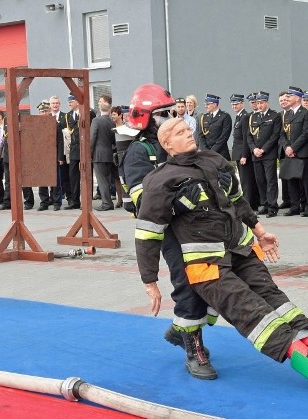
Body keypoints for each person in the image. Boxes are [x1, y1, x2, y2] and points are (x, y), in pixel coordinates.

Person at [135, 117, 308, 393]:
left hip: (241, 250)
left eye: (188, 129)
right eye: (180, 133)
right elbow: (148, 234)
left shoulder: (215, 161)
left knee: (278, 303)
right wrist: (149, 281)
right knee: (254, 314)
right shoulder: (160, 181)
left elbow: (237, 201)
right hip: (207, 266)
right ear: (167, 144)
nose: (188, 134)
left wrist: (259, 230)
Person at [120, 83, 219, 380]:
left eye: (171, 111)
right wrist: (183, 199)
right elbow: (142, 202)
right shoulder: (140, 152)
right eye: (163, 114)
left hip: (201, 226)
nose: (171, 117)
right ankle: (194, 349)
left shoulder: (178, 145)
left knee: (215, 281)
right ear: (146, 117)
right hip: (172, 232)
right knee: (187, 285)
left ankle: (181, 329)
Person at [280, 86, 308, 217]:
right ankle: (295, 207)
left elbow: (306, 133)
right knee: (292, 181)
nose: (287, 99)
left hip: (302, 152)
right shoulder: (287, 114)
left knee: (306, 182)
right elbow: (282, 133)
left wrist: (293, 148)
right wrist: (287, 147)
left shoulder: (306, 113)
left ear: (297, 98)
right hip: (289, 153)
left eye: (289, 96)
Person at [247, 91, 281, 218]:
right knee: (260, 180)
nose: (259, 105)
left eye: (262, 103)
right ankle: (265, 204)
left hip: (268, 154)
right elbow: (249, 136)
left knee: (270, 180)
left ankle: (273, 206)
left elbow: (275, 135)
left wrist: (263, 149)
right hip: (256, 154)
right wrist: (254, 149)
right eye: (258, 103)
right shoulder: (253, 117)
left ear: (267, 102)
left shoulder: (275, 116)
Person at [230, 93, 260, 211]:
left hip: (243, 154)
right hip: (239, 153)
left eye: (236, 104)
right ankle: (252, 202)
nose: (234, 106)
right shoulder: (239, 116)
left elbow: (245, 138)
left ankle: (249, 204)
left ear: (242, 103)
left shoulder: (245, 116)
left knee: (246, 181)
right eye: (232, 104)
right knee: (244, 179)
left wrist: (244, 155)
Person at [91, 94, 116, 211]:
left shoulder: (96, 120)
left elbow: (92, 138)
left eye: (100, 102)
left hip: (98, 154)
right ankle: (108, 201)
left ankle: (107, 203)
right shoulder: (112, 121)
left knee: (102, 181)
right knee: (107, 178)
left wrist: (89, 154)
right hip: (109, 153)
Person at [197, 94, 232, 160]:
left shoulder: (225, 116)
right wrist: (205, 151)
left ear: (215, 104)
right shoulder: (204, 117)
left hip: (220, 154)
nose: (205, 106)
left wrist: (212, 151)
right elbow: (201, 136)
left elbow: (224, 137)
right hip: (206, 155)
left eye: (208, 104)